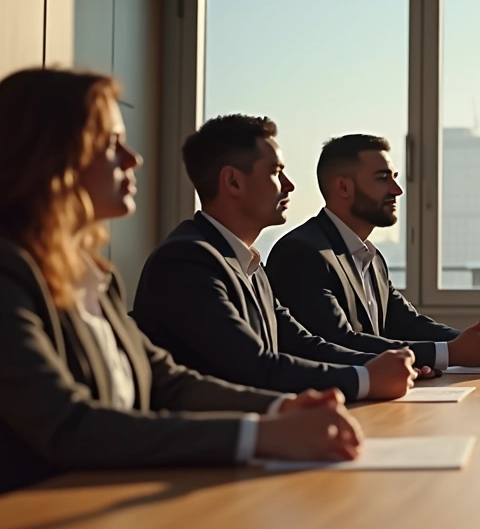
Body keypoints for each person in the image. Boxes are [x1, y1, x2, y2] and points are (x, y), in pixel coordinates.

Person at [0, 69, 367, 494]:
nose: (133, 159)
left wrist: (282, 408)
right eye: (111, 145)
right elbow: (68, 426)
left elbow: (166, 380)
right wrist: (261, 434)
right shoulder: (9, 272)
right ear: (52, 156)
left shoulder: (93, 275)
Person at [132, 115, 421, 403]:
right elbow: (254, 367)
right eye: (276, 172)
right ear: (233, 182)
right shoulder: (186, 261)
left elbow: (303, 345)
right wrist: (366, 378)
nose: (289, 185)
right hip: (217, 443)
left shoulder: (248, 264)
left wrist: (381, 365)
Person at [266, 134, 480, 369]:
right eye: (382, 179)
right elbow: (337, 341)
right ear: (343, 187)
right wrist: (451, 353)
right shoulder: (301, 252)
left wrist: (472, 341)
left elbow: (406, 323)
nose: (397, 190)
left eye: (395, 177)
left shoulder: (371, 256)